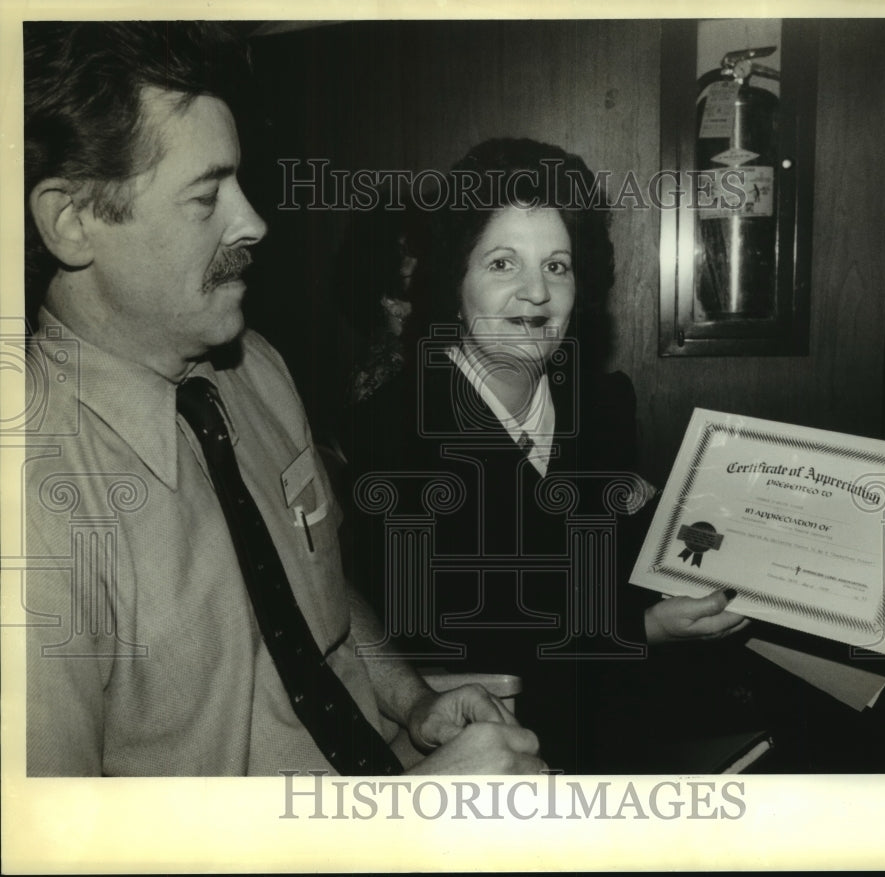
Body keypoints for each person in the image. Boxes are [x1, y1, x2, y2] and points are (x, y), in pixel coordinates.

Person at [22, 21, 544, 777]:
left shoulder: (255, 369)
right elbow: (62, 848)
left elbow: (317, 595)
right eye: (207, 198)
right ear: (71, 222)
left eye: (240, 182)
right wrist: (401, 828)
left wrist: (410, 697)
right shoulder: (30, 501)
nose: (254, 221)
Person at [340, 138, 747, 773]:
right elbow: (467, 625)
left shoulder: (602, 404)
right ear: (456, 280)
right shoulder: (390, 430)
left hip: (629, 718)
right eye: (503, 264)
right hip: (488, 748)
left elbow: (613, 565)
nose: (537, 292)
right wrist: (647, 629)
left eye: (557, 266)